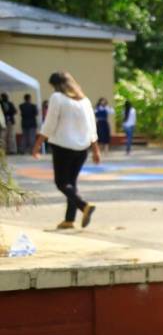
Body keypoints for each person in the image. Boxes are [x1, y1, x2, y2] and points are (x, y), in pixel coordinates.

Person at [32, 71, 100, 229]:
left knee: (61, 183)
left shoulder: (57, 98)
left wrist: (37, 145)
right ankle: (69, 219)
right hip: (82, 149)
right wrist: (96, 150)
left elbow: (49, 124)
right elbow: (92, 127)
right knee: (71, 183)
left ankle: (84, 206)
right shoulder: (85, 100)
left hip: (63, 147)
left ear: (56, 85)